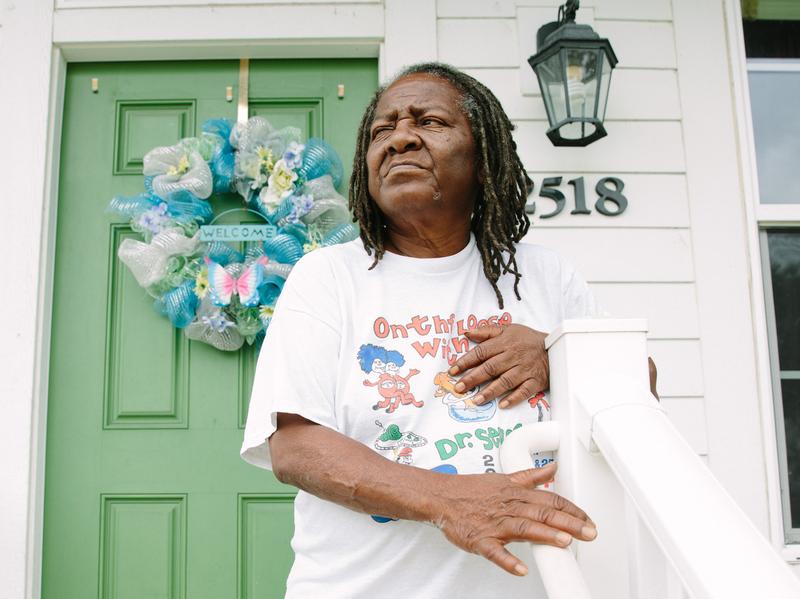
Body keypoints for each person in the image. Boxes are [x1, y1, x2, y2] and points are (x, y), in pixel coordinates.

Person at [241, 62, 655, 597]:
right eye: (381, 131)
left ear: (483, 160)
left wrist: (557, 358)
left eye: (429, 121)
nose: (399, 139)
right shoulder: (328, 277)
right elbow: (295, 446)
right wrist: (452, 502)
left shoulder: (545, 275)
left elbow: (636, 392)